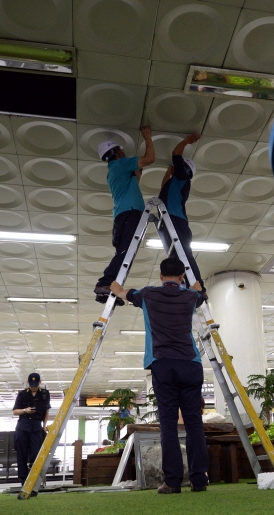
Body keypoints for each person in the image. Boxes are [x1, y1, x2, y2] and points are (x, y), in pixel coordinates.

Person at [110, 257, 209, 494]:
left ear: (161, 276)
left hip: (163, 365)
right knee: (194, 423)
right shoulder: (190, 296)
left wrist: (114, 287)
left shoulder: (148, 294)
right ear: (182, 277)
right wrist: (196, 289)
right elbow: (200, 294)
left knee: (168, 423)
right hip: (191, 364)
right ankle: (199, 480)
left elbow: (122, 292)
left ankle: (173, 482)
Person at [94, 126, 156, 306]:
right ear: (115, 152)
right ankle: (104, 284)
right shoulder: (119, 164)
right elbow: (149, 159)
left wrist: (137, 166)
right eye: (121, 149)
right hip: (128, 213)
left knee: (126, 254)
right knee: (124, 253)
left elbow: (137, 178)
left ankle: (110, 289)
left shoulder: (115, 171)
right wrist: (147, 137)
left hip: (125, 214)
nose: (124, 151)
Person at [158, 133, 207, 297]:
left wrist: (186, 141)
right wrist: (167, 171)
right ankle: (188, 286)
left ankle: (199, 287)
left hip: (176, 221)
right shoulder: (175, 183)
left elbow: (175, 154)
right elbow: (163, 187)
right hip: (172, 221)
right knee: (178, 259)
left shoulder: (183, 176)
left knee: (184, 255)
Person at [12, 373, 51, 484]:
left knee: (36, 453)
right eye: (32, 385)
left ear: (40, 382)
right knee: (21, 454)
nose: (33, 387)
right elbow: (15, 411)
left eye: (36, 384)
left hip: (36, 426)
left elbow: (47, 411)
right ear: (28, 383)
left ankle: (34, 476)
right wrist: (25, 410)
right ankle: (24, 480)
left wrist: (44, 425)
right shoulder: (22, 394)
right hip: (23, 426)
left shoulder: (45, 394)